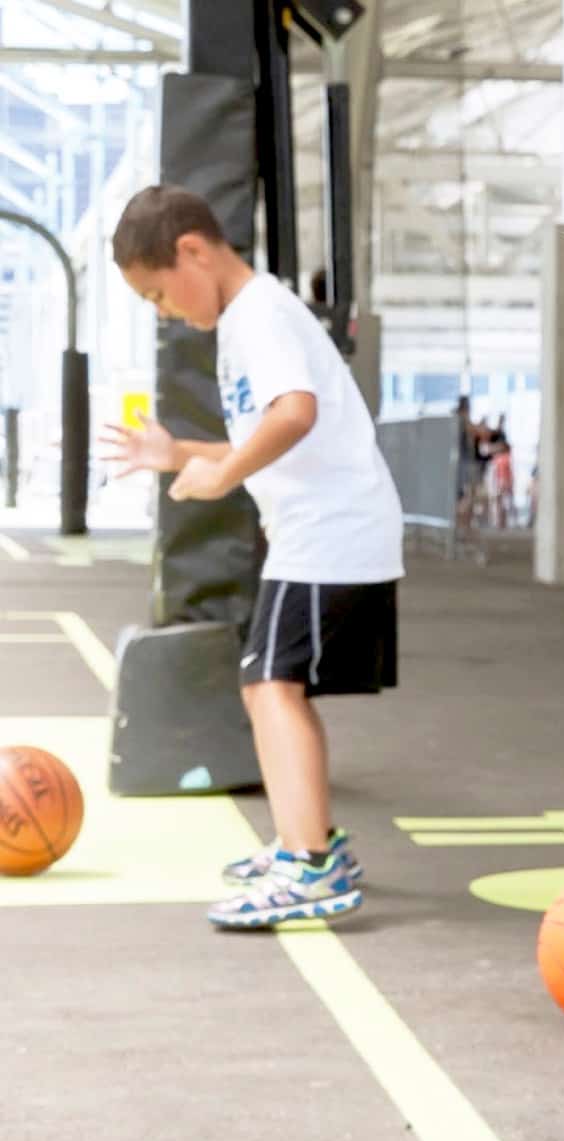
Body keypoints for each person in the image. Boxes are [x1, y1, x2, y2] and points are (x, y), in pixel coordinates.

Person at [101, 184, 404, 930]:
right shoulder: (250, 317)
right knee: (273, 685)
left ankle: (308, 864)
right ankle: (309, 847)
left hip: (328, 533)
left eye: (157, 294)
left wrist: (220, 474)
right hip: (318, 532)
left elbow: (294, 414)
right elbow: (269, 435)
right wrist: (182, 455)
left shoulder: (258, 314)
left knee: (272, 686)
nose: (164, 312)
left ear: (192, 253)